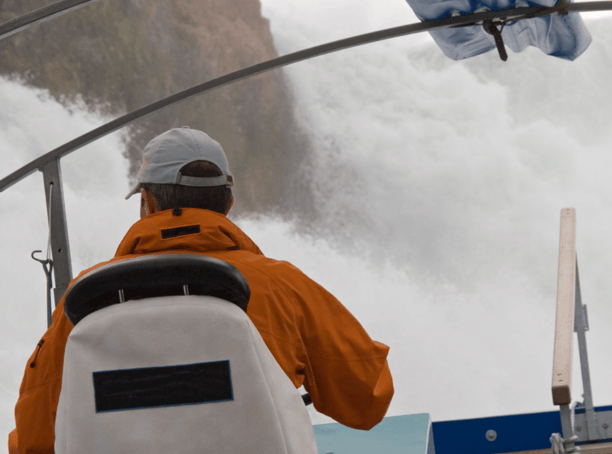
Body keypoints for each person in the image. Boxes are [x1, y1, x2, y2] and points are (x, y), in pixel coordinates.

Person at [9, 127, 394, 454]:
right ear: (227, 202)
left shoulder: (85, 298)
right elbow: (366, 401)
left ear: (146, 203)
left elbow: (33, 441)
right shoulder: (283, 285)